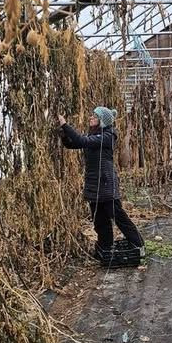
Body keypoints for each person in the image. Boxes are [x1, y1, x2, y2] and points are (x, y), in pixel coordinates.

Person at [57, 107, 143, 257]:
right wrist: (64, 136)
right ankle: (105, 248)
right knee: (100, 220)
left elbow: (79, 140)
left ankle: (138, 244)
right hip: (94, 184)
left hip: (106, 184)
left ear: (102, 121)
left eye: (95, 116)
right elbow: (73, 144)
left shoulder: (107, 136)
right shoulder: (95, 135)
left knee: (118, 216)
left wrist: (65, 125)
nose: (91, 118)